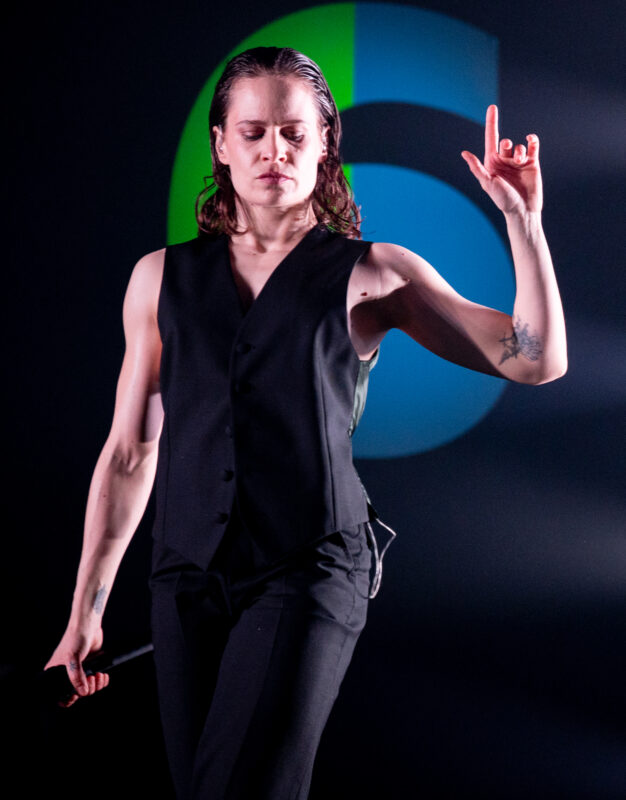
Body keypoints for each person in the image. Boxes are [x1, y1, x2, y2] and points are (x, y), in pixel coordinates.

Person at [45, 46, 567, 799]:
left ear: (324, 145)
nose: (273, 151)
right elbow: (131, 452)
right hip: (185, 576)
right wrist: (84, 613)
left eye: (293, 133)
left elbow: (533, 358)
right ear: (221, 145)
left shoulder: (374, 272)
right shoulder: (159, 278)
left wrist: (524, 222)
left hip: (311, 567)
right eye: (252, 132)